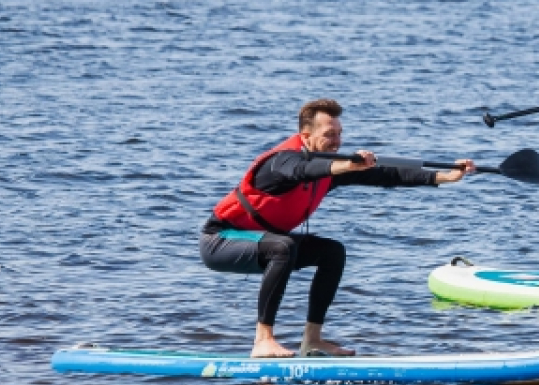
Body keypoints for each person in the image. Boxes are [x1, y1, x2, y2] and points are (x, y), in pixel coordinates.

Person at [201, 98, 473, 358]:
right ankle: (263, 340)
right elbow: (301, 171)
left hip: (261, 241)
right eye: (330, 135)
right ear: (306, 138)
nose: (337, 142)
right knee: (283, 247)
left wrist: (446, 176)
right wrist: (346, 164)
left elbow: (388, 174)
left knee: (332, 252)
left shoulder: (330, 170)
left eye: (340, 134)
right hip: (221, 241)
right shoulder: (281, 161)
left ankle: (312, 340)